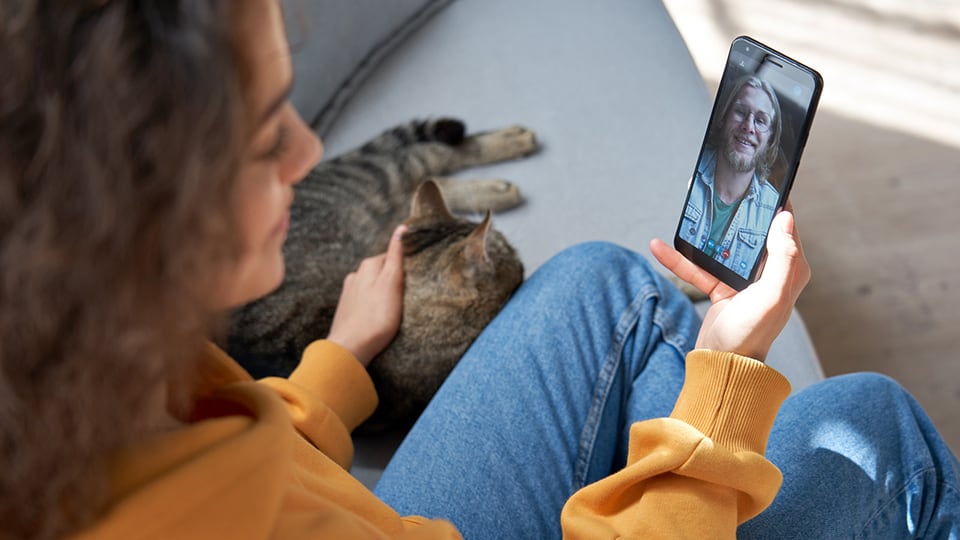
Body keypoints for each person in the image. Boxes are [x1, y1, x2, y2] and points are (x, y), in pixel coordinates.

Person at [0, 1, 956, 539]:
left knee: (598, 289)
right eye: (262, 139)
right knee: (862, 428)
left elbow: (221, 466)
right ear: (132, 224)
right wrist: (721, 392)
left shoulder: (76, 374)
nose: (306, 150)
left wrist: (330, 374)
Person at [679, 75, 782, 279]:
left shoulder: (773, 208)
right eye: (741, 112)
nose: (749, 126)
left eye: (761, 121)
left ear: (770, 139)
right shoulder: (688, 164)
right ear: (723, 117)